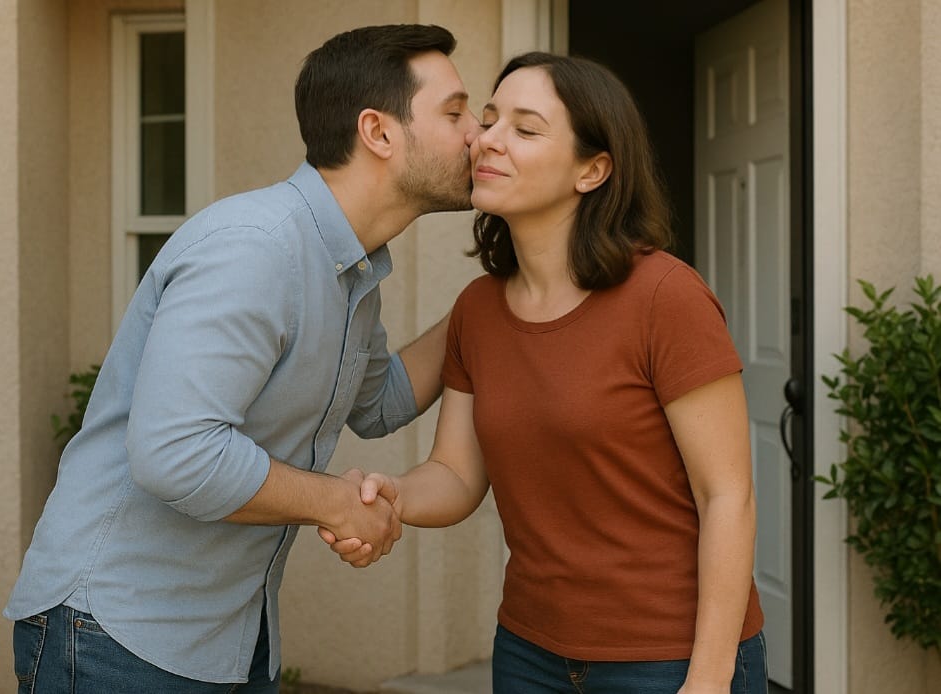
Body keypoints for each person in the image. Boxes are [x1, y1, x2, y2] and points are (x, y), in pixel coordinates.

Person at [4, 24, 480, 693]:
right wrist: (335, 505)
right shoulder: (256, 248)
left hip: (228, 639)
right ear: (378, 132)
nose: (477, 136)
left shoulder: (352, 269)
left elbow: (381, 403)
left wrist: (490, 304)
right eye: (456, 113)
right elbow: (178, 452)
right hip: (116, 635)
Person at [325, 53, 767, 693]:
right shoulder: (478, 310)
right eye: (489, 118)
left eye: (526, 129)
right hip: (530, 653)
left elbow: (728, 498)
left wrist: (707, 678)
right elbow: (455, 474)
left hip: (669, 655)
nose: (488, 140)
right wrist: (390, 495)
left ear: (593, 170)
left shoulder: (666, 298)